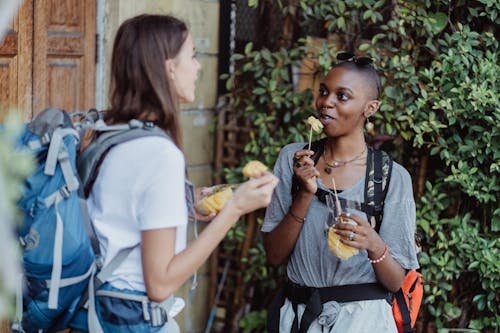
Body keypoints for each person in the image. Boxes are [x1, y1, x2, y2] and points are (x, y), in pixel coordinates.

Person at [70, 14, 278, 333]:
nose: (198, 66)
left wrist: (189, 202)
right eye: (192, 56)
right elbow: (161, 283)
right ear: (169, 66)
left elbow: (120, 211)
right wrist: (236, 208)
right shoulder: (159, 153)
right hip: (132, 318)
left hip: (96, 309)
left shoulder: (107, 130)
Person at [262, 53, 419, 333]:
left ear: (370, 108)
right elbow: (274, 255)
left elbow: (396, 282)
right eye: (323, 91)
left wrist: (374, 244)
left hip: (362, 321)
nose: (326, 102)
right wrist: (305, 194)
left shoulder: (391, 177)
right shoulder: (294, 159)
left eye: (342, 96)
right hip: (298, 318)